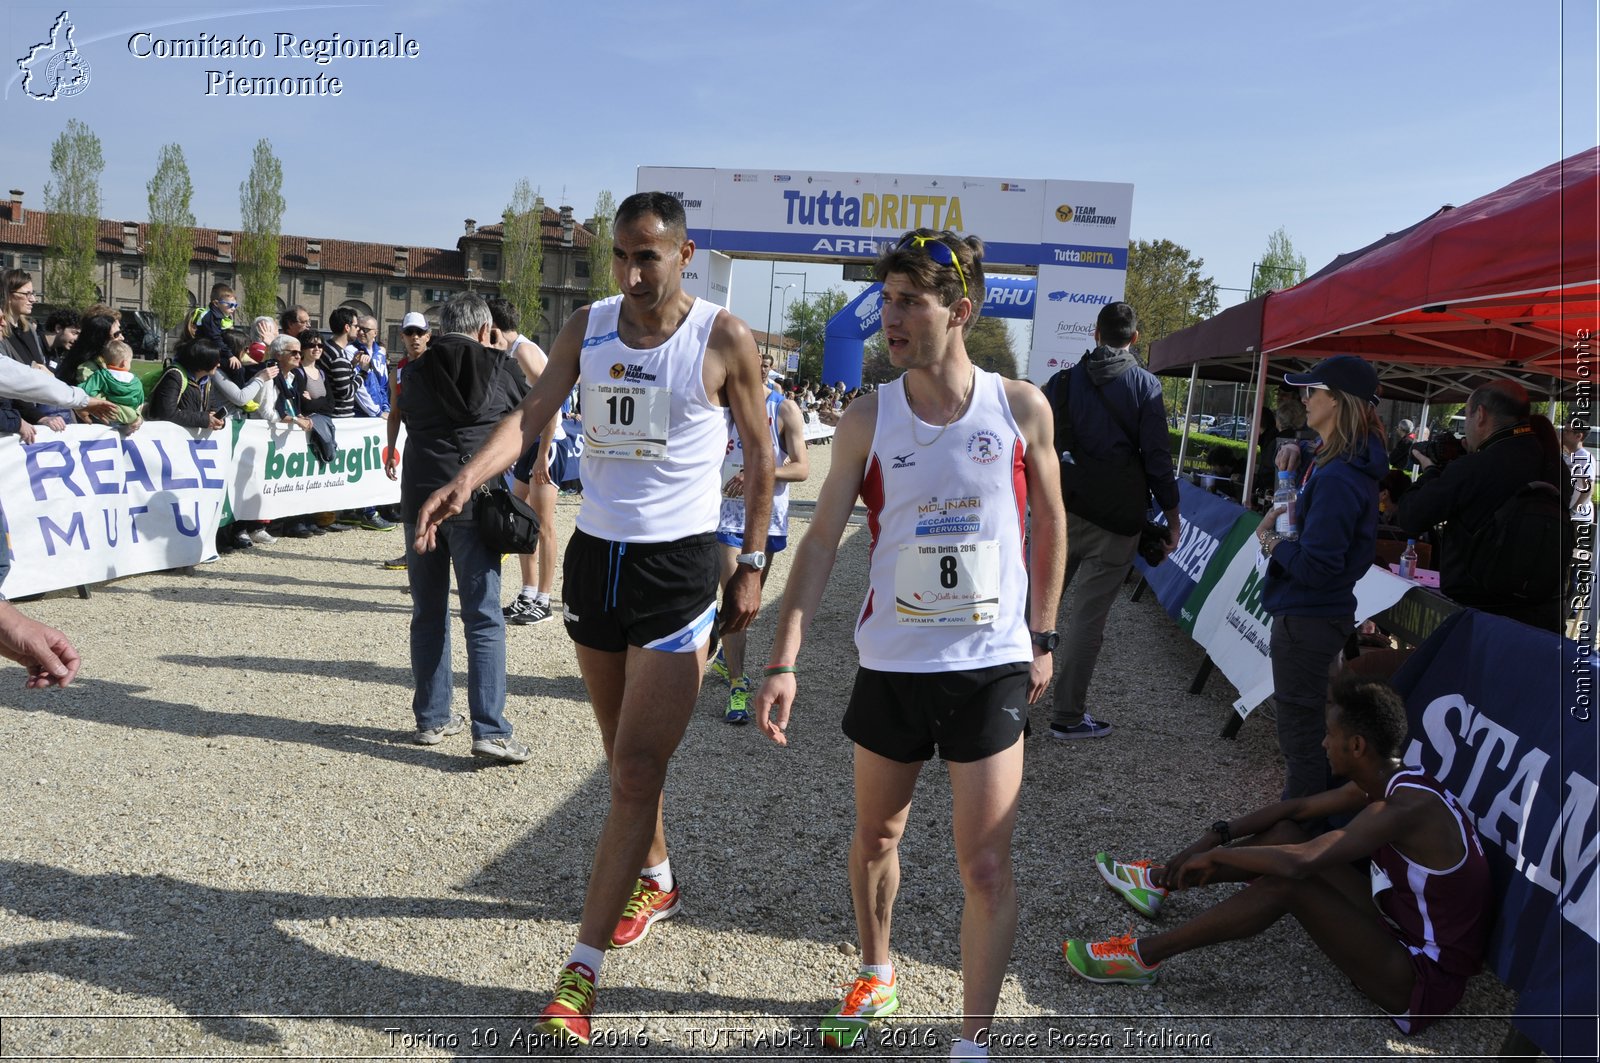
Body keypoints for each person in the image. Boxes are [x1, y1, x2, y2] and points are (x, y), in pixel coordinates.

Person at [414, 191, 773, 1047]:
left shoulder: (722, 336)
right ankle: (657, 873)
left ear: (685, 255)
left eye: (649, 255)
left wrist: (752, 560)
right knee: (622, 759)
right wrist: (467, 480)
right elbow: (529, 417)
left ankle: (578, 975)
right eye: (622, 254)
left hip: (677, 568)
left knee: (635, 770)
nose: (634, 271)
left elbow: (761, 454)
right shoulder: (591, 326)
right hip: (595, 563)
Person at [753, 229, 1065, 1059]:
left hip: (988, 667)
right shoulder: (867, 415)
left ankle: (972, 1041)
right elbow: (820, 542)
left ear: (960, 310)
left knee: (986, 865)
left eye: (908, 302)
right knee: (876, 838)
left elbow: (1052, 527)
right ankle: (877, 968)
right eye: (885, 299)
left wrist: (1045, 636)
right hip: (891, 662)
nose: (888, 317)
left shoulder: (1022, 406)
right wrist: (782, 658)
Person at [1063, 676, 1491, 1038]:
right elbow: (1295, 811)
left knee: (1288, 884)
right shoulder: (1392, 778)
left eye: (1331, 735)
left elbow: (1300, 863)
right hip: (1396, 919)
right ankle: (1158, 880)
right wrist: (1214, 838)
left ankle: (1142, 956)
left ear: (1357, 745)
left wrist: (1216, 861)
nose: (1324, 742)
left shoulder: (1399, 809)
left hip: (1423, 978)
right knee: (1285, 834)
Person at [393, 293, 531, 763]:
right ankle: (489, 729)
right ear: (484, 327)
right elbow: (527, 414)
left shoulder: (413, 371)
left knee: (427, 612)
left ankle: (432, 718)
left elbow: (409, 417)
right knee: (483, 616)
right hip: (475, 501)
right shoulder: (498, 366)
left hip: (421, 500)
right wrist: (495, 351)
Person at [1040, 301, 1180, 741]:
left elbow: (1035, 444)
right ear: (1134, 339)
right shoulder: (1145, 386)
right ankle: (1066, 716)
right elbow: (1157, 457)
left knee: (1034, 608)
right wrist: (1171, 513)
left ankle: (1006, 707)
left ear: (1095, 333)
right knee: (1088, 618)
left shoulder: (1060, 383)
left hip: (1061, 509)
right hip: (1117, 519)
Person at [1260, 355, 1386, 798]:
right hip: (1319, 618)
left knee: (1304, 744)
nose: (1303, 398)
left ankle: (1299, 842)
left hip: (1307, 620)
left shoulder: (1339, 477)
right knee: (1315, 736)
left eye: (1311, 391)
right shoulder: (1342, 462)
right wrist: (1291, 468)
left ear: (1338, 401)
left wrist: (1270, 542)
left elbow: (1317, 565)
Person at [1393, 380, 1566, 632]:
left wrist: (1431, 470)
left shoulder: (1476, 466)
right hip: (1543, 617)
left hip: (1478, 618)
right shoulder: (1554, 466)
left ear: (1481, 414)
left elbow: (1410, 516)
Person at [708, 349, 810, 723]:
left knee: (749, 604)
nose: (757, 367)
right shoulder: (718, 403)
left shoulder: (784, 409)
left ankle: (724, 657)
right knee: (734, 597)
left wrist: (759, 473)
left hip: (767, 519)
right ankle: (738, 685)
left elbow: (801, 468)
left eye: (764, 363)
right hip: (723, 516)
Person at [489, 297, 561, 627]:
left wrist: (544, 454)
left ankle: (544, 600)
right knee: (519, 519)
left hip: (548, 442)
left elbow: (553, 402)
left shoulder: (524, 351)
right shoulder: (509, 352)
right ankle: (528, 592)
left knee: (544, 525)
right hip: (530, 443)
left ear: (495, 328)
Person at [381, 313, 431, 570]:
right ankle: (413, 554)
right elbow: (394, 414)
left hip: (438, 444)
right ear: (401, 336)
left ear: (428, 336)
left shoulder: (437, 365)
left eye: (419, 333)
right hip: (414, 443)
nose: (415, 338)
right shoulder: (397, 372)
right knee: (410, 502)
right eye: (409, 333)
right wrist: (391, 451)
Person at [1561, 420, 1595, 640]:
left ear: (1579, 436)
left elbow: (1586, 488)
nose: (1563, 432)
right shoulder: (1568, 455)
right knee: (1567, 564)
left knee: (1572, 565)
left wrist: (1571, 508)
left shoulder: (1583, 457)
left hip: (1577, 520)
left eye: (1568, 430)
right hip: (1572, 516)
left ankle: (1569, 609)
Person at [78, 339, 145, 432]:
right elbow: (140, 399)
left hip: (106, 415)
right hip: (130, 417)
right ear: (124, 363)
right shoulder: (136, 381)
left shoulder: (101, 375)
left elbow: (88, 391)